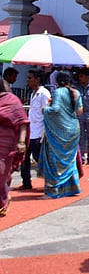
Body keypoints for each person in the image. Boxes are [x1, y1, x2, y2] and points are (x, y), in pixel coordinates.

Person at [39, 70, 82, 198]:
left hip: (59, 131)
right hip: (73, 130)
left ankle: (53, 190)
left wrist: (45, 109)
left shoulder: (58, 92)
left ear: (57, 81)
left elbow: (56, 110)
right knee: (69, 160)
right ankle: (71, 188)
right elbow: (79, 111)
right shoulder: (76, 92)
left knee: (54, 160)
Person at [0, 78, 29, 216]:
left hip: (6, 144)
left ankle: (3, 199)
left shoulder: (11, 100)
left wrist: (22, 142)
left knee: (1, 173)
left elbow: (22, 121)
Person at [18, 69, 50, 191]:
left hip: (39, 131)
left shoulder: (44, 94)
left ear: (37, 79)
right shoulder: (33, 93)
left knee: (39, 157)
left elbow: (46, 113)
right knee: (25, 158)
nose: (27, 80)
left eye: (30, 78)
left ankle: (50, 181)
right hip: (31, 130)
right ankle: (26, 182)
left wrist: (44, 133)